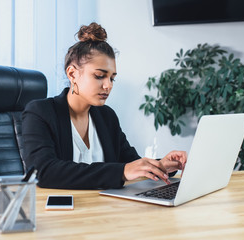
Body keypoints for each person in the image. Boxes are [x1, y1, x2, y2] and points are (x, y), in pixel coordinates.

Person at [22, 22, 186, 189]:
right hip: (60, 211)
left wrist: (161, 165)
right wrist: (122, 171)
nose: (108, 85)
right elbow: (42, 171)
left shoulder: (106, 116)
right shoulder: (40, 112)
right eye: (100, 76)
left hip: (103, 209)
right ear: (72, 74)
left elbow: (131, 163)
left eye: (112, 78)